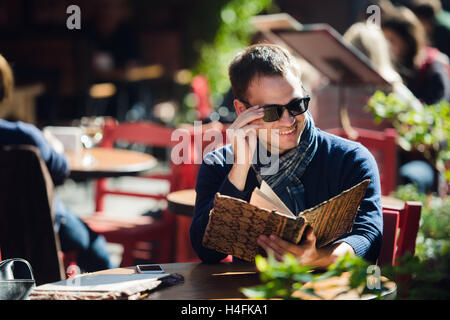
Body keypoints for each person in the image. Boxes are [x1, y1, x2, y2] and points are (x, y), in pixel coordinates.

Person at [190, 44, 383, 267]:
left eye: (296, 104)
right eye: (273, 112)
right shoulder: (219, 164)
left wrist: (317, 258)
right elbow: (206, 251)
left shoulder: (350, 159)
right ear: (242, 110)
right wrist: (240, 168)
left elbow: (369, 238)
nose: (288, 121)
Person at [0, 54, 115, 272]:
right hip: (35, 228)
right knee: (94, 244)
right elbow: (61, 170)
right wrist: (54, 146)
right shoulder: (25, 136)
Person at [381, 6, 450, 105]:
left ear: (408, 41)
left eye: (392, 41)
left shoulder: (432, 66)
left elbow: (438, 107)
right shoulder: (389, 68)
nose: (387, 47)